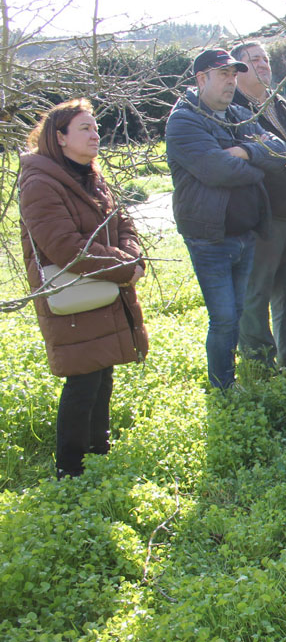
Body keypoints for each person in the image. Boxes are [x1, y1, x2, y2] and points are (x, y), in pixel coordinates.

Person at [19, 99, 149, 478]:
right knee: (83, 380)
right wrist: (124, 266)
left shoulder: (90, 175)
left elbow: (123, 221)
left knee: (102, 372)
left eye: (95, 128)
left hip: (104, 288)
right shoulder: (40, 184)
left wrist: (133, 255)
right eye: (85, 129)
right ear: (59, 138)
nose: (95, 135)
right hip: (76, 294)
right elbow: (65, 248)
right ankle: (71, 470)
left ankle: (98, 454)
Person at [166, 48, 286, 389]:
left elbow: (281, 150)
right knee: (223, 318)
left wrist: (247, 151)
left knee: (236, 313)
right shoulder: (184, 121)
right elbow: (217, 170)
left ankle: (229, 380)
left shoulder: (236, 113)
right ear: (201, 78)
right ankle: (223, 387)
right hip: (210, 237)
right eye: (224, 75)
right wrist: (258, 167)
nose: (231, 82)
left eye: (234, 75)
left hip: (244, 233)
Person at [230, 42, 286, 369]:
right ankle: (259, 363)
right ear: (237, 70)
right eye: (254, 60)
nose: (263, 65)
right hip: (262, 216)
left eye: (265, 59)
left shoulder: (278, 102)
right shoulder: (234, 108)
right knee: (257, 293)